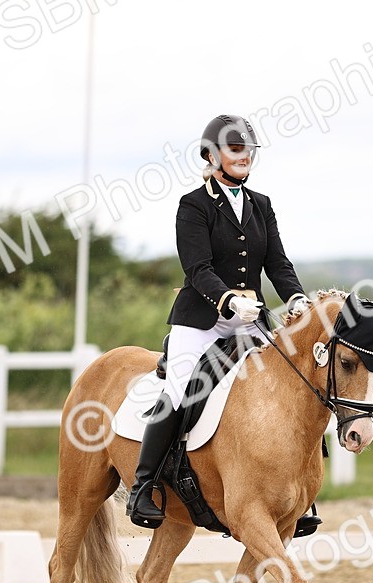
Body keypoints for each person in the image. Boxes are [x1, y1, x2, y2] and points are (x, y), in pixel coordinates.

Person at [125, 114, 316, 530]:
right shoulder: (193, 205)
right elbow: (197, 267)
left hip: (250, 320)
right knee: (179, 390)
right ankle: (145, 486)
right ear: (211, 155)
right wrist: (228, 299)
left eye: (248, 150)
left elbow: (277, 263)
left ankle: (297, 494)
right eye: (235, 149)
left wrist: (296, 297)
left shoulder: (261, 204)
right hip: (201, 320)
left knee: (292, 381)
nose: (244, 156)